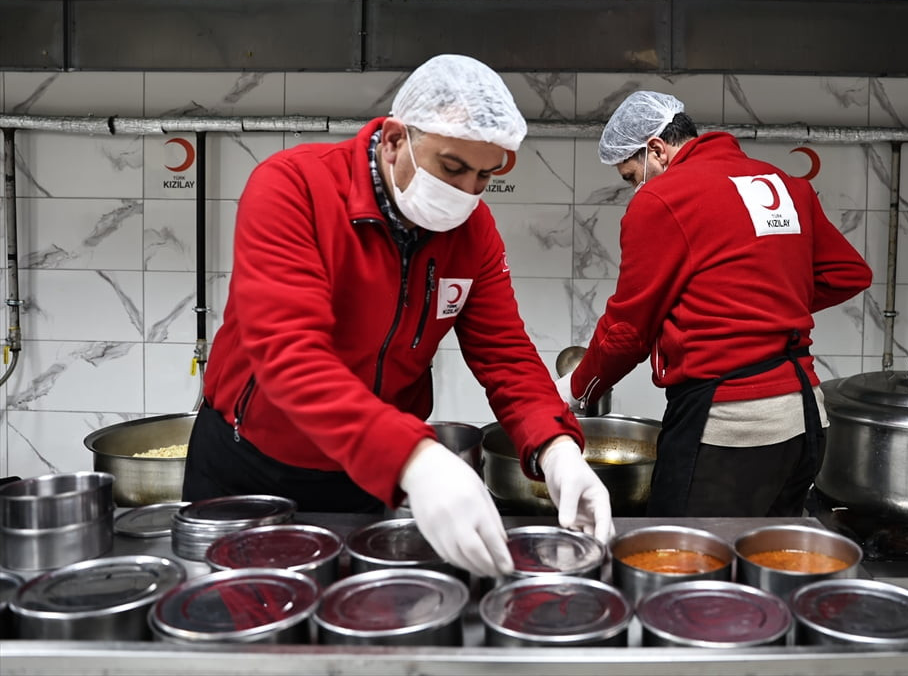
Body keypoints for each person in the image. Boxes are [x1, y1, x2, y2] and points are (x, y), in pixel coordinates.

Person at [183, 54, 613, 577]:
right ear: (392, 139)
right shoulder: (294, 188)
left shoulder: (472, 234)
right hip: (249, 468)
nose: (466, 192)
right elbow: (289, 355)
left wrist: (558, 448)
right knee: (245, 634)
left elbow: (505, 355)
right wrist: (417, 458)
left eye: (484, 176)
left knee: (356, 626)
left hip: (366, 475)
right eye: (452, 167)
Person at [556, 91, 871, 517]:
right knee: (758, 569)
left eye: (631, 176)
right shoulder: (784, 184)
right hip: (805, 422)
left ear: (656, 149)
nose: (635, 188)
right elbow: (848, 273)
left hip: (729, 428)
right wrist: (760, 304)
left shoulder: (662, 198)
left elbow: (629, 331)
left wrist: (576, 391)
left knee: (678, 567)